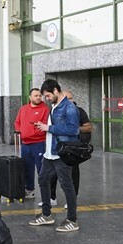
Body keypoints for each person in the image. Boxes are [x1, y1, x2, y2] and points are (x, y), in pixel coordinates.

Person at [27, 79, 80, 232]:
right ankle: (46, 214)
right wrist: (45, 128)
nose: (46, 99)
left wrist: (48, 128)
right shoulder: (54, 106)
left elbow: (73, 130)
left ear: (56, 91)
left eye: (48, 95)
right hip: (50, 152)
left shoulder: (69, 107)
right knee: (43, 179)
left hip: (61, 153)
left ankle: (72, 220)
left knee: (66, 184)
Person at [13, 88, 49, 197]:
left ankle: (46, 194)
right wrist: (20, 131)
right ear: (30, 97)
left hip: (38, 143)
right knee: (27, 168)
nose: (38, 98)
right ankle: (29, 190)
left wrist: (32, 133)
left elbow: (44, 125)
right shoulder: (23, 109)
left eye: (40, 96)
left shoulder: (45, 109)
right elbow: (17, 122)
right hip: (25, 144)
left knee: (41, 169)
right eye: (36, 96)